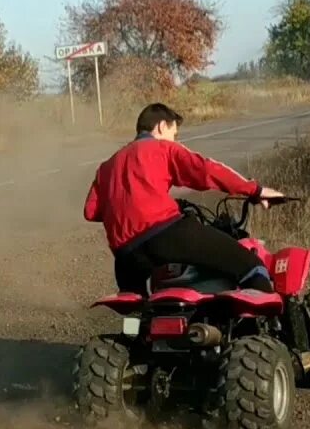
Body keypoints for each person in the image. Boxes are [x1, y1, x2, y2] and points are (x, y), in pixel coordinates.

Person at [84, 102, 284, 294]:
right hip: (166, 235)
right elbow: (206, 171)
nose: (175, 140)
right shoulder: (163, 149)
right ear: (162, 126)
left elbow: (91, 211)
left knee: (142, 312)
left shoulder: (106, 166)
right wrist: (255, 190)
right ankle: (263, 322)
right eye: (174, 134)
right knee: (250, 266)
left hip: (126, 258)